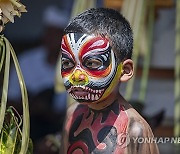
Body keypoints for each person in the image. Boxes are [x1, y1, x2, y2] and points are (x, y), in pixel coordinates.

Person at [59, 8, 159, 153]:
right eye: (68, 64)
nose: (76, 76)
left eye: (92, 63)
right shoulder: (72, 115)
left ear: (125, 71)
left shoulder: (135, 130)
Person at [8, 6, 68, 143]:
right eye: (48, 33)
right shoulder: (26, 60)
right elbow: (10, 100)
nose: (50, 38)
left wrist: (47, 112)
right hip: (25, 128)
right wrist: (30, 106)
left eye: (56, 34)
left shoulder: (73, 66)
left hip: (58, 131)